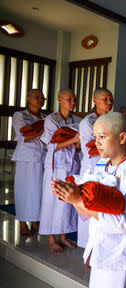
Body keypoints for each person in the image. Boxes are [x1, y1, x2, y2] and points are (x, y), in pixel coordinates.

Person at [51, 112, 126, 288]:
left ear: (122, 137)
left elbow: (122, 223)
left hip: (124, 257)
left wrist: (78, 200)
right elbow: (91, 212)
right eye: (95, 137)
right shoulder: (103, 164)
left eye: (102, 137)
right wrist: (71, 196)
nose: (96, 142)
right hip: (103, 250)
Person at [39, 89, 81, 253]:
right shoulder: (51, 119)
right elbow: (51, 145)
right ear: (59, 100)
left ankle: (63, 236)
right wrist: (74, 139)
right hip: (56, 166)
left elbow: (77, 148)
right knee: (53, 201)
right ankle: (51, 239)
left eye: (74, 99)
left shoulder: (76, 120)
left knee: (67, 201)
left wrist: (77, 144)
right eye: (69, 99)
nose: (72, 102)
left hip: (71, 164)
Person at [77, 88, 114, 248]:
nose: (109, 102)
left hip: (109, 168)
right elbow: (89, 147)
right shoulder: (88, 121)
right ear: (95, 100)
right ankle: (88, 246)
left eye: (110, 99)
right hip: (92, 168)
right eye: (105, 99)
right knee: (90, 205)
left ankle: (103, 244)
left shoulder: (113, 119)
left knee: (105, 207)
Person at [11, 89, 47, 236]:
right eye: (37, 97)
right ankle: (22, 223)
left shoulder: (45, 117)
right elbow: (24, 136)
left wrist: (41, 131)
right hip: (26, 157)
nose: (40, 99)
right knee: (24, 190)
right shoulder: (20, 115)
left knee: (38, 191)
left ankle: (35, 222)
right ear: (28, 99)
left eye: (42, 98)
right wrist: (41, 131)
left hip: (41, 157)